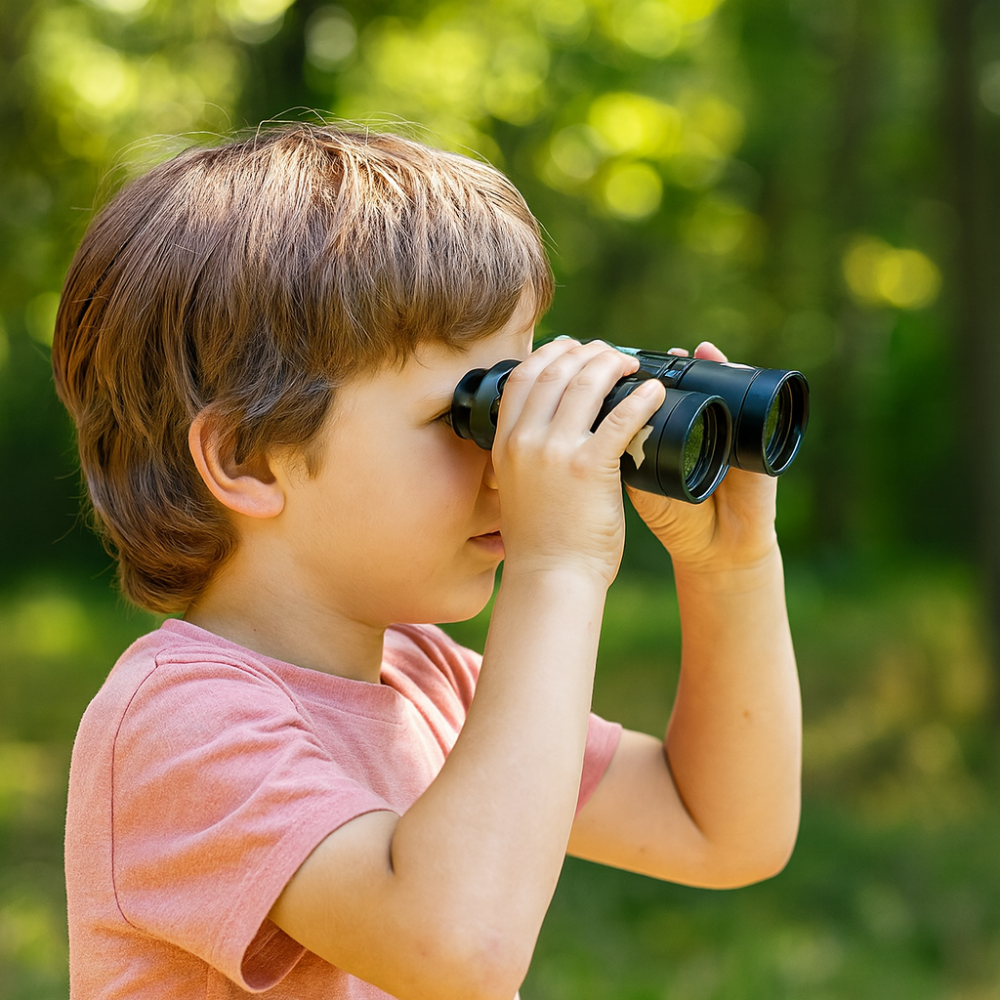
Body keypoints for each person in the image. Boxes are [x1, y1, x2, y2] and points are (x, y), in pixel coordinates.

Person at [53, 123, 801, 1000]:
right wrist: (556, 566)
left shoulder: (427, 685)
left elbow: (720, 827)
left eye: (524, 397)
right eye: (472, 416)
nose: (513, 460)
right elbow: (459, 947)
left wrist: (733, 568)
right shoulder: (180, 722)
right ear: (251, 459)